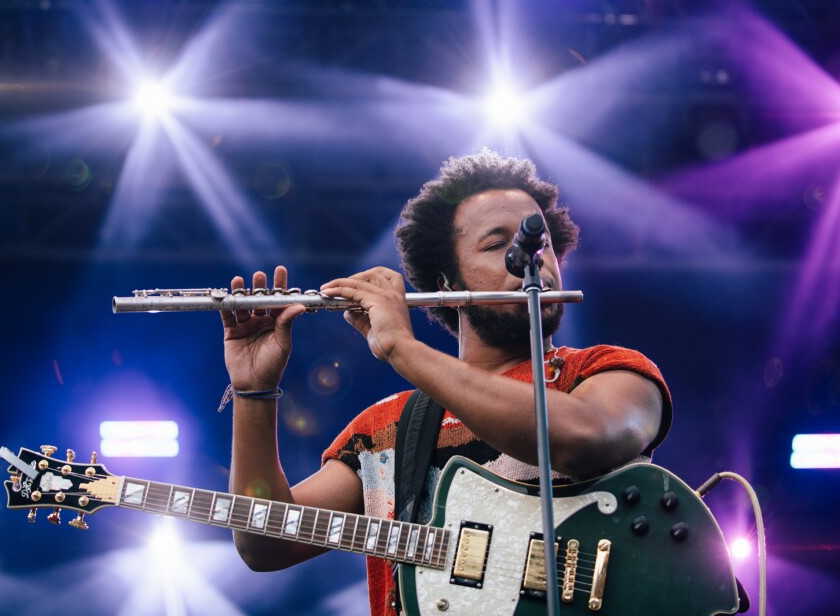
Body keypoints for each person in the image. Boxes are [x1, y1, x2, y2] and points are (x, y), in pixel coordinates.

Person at [220, 148, 672, 616]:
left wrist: (402, 347)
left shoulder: (604, 371)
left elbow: (585, 436)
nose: (533, 261)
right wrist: (254, 391)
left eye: (542, 245)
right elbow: (264, 544)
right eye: (500, 245)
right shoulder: (385, 428)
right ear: (447, 282)